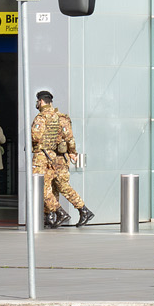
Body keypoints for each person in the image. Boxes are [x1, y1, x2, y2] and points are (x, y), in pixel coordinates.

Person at [32, 90, 96, 227]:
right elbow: (70, 138)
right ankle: (60, 214)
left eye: (38, 101)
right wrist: (72, 152)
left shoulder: (41, 118)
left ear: (41, 101)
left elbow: (35, 137)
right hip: (60, 158)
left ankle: (58, 212)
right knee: (59, 186)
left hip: (44, 156)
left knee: (43, 186)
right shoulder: (61, 118)